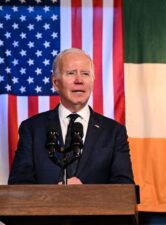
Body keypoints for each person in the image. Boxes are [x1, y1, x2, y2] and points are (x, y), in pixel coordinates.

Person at [8, 48, 134, 185]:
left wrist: (86, 195)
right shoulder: (32, 129)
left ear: (92, 81)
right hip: (47, 206)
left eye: (85, 74)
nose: (79, 80)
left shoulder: (114, 132)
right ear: (56, 83)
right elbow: (18, 186)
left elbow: (124, 188)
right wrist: (53, 197)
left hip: (95, 207)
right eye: (71, 73)